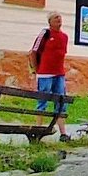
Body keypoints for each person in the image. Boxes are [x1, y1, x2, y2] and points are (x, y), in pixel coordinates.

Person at [30, 11, 70, 141]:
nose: (59, 19)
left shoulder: (65, 37)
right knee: (42, 101)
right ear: (50, 22)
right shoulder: (45, 34)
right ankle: (37, 130)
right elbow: (33, 51)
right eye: (55, 17)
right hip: (45, 73)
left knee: (61, 102)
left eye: (60, 17)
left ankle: (63, 133)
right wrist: (36, 70)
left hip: (59, 73)